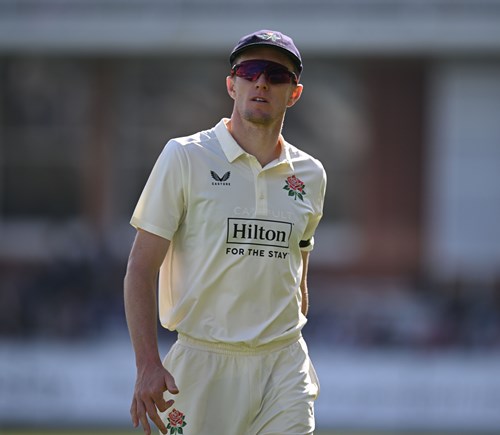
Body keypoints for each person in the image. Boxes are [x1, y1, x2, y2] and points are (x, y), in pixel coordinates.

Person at [124, 29, 327, 435]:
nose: (261, 82)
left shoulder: (311, 174)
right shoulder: (185, 157)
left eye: (276, 75)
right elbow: (140, 271)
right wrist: (147, 365)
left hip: (284, 366)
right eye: (250, 71)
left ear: (294, 93)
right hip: (203, 365)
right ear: (232, 85)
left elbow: (299, 266)